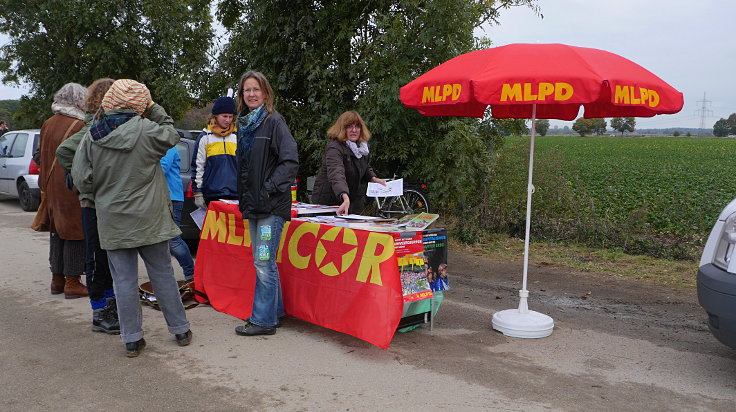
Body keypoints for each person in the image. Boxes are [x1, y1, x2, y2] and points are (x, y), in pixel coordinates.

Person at [72, 79, 192, 357]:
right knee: (162, 275)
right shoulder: (147, 130)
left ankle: (132, 340)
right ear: (140, 105)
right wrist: (152, 107)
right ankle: (181, 330)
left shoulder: (92, 135)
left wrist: (102, 190)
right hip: (150, 219)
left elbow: (81, 178)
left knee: (123, 281)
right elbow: (172, 134)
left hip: (113, 220)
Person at [233, 71, 298, 337]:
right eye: (247, 90)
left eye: (256, 89)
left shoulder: (274, 122)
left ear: (265, 93)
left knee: (263, 261)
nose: (251, 94)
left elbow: (290, 160)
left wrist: (269, 189)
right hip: (254, 206)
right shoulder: (245, 125)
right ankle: (274, 312)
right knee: (263, 260)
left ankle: (263, 321)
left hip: (271, 208)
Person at [56, 77, 119, 333]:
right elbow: (64, 151)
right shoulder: (93, 125)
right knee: (96, 257)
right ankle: (99, 311)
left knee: (109, 256)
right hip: (93, 203)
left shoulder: (109, 124)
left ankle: (109, 304)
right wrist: (85, 178)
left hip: (108, 202)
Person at [38, 82, 88, 299]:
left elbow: (41, 156)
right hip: (69, 188)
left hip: (50, 188)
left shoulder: (48, 123)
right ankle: (72, 282)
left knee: (57, 232)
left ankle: (57, 280)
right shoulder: (78, 125)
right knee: (74, 233)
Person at [311, 111, 386, 215]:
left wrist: (373, 178)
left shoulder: (362, 147)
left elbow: (364, 166)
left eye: (357, 127)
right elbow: (336, 173)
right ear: (342, 129)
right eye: (349, 127)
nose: (354, 130)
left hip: (352, 199)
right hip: (329, 201)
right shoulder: (334, 147)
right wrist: (344, 196)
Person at [191, 96, 238, 209]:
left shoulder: (238, 137)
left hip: (236, 194)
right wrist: (198, 192)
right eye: (224, 116)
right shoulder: (205, 138)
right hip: (211, 195)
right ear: (215, 116)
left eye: (230, 116)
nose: (228, 120)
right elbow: (198, 167)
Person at [161, 146, 195, 282]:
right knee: (160, 240)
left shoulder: (168, 147)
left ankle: (191, 273)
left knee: (172, 239)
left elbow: (161, 168)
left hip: (172, 199)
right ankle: (164, 277)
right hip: (161, 198)